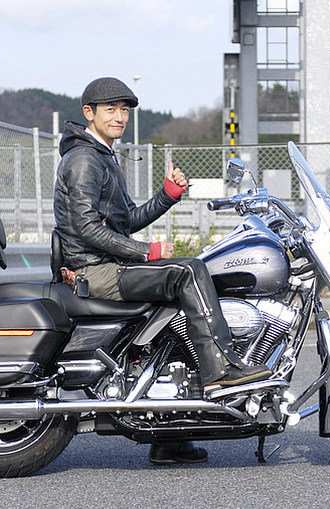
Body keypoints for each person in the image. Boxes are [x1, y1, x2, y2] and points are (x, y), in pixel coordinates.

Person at [53, 77, 271, 464]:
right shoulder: (84, 159)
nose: (120, 117)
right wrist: (146, 251)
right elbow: (86, 228)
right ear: (89, 113)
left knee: (178, 306)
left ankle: (171, 435)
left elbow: (125, 221)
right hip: (94, 271)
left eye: (124, 110)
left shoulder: (104, 155)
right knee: (188, 272)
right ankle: (220, 370)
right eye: (111, 109)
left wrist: (167, 195)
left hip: (107, 263)